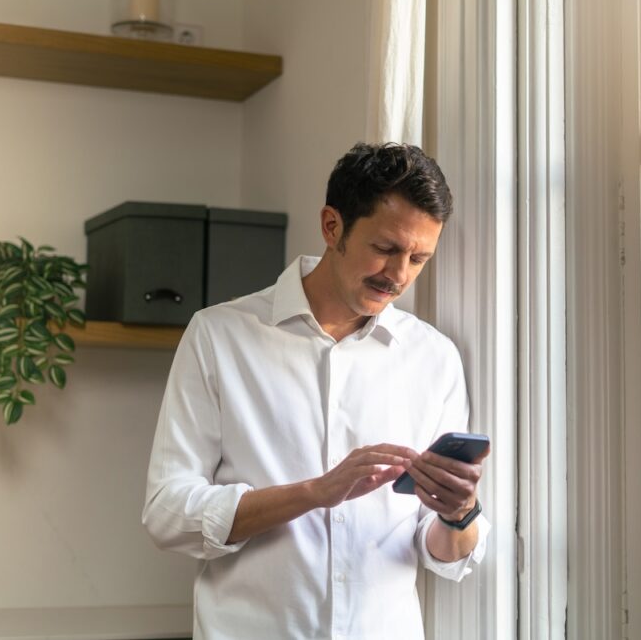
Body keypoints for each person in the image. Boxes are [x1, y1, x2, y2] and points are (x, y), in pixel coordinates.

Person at [142, 142, 490, 640]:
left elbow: (439, 554)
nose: (399, 276)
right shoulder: (219, 336)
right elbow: (167, 514)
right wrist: (314, 493)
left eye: (419, 258)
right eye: (386, 249)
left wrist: (459, 514)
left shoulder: (434, 358)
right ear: (332, 226)